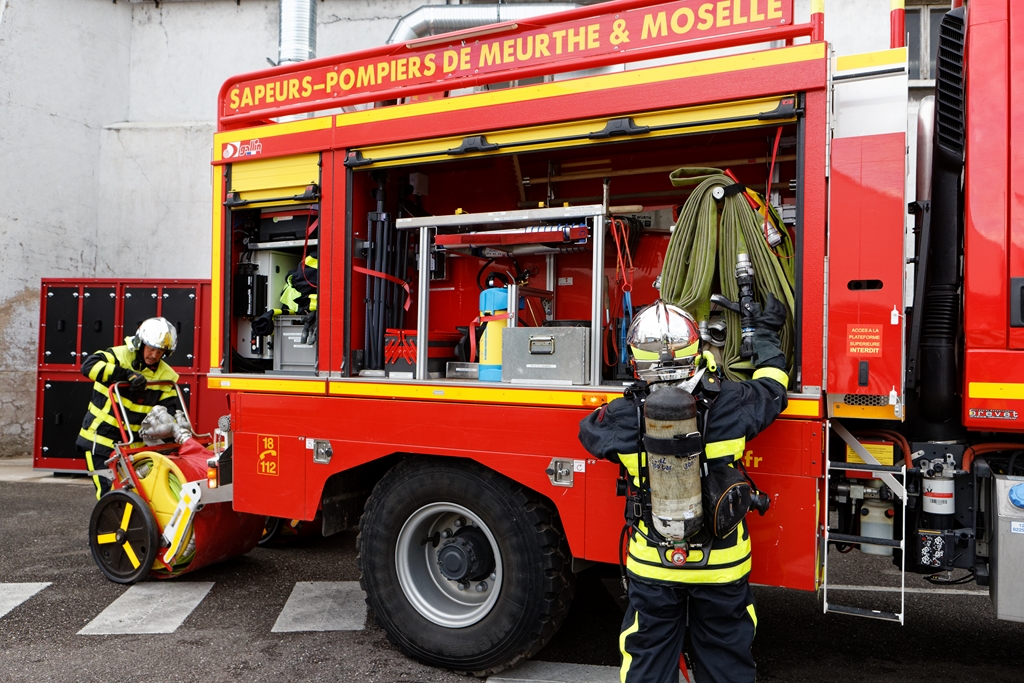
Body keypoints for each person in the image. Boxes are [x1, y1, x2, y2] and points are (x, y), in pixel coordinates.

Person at [578, 296, 789, 683]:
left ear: (636, 359)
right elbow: (774, 389)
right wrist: (766, 336)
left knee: (648, 659)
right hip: (722, 563)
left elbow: (589, 430)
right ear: (696, 350)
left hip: (654, 561)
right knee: (727, 660)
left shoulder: (621, 418)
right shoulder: (734, 403)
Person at [77, 317, 181, 499]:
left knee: (140, 495)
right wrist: (125, 375)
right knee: (110, 493)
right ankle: (110, 527)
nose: (154, 356)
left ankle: (133, 527)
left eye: (160, 352)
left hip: (134, 445)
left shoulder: (167, 375)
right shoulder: (118, 355)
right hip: (101, 440)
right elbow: (88, 366)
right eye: (151, 349)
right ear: (141, 343)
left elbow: (168, 412)